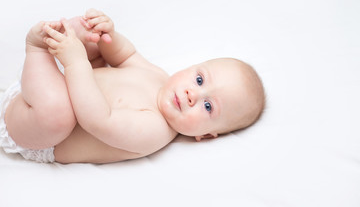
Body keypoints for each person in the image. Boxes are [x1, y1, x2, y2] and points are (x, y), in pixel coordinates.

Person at [0, 9, 265, 164]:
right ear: (194, 66)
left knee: (59, 115)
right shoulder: (158, 76)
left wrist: (76, 62)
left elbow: (97, 120)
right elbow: (125, 55)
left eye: (208, 106)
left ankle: (36, 49)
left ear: (206, 135)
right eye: (199, 79)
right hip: (48, 86)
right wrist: (108, 35)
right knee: (93, 43)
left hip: (36, 131)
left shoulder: (156, 131)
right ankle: (63, 36)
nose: (192, 94)